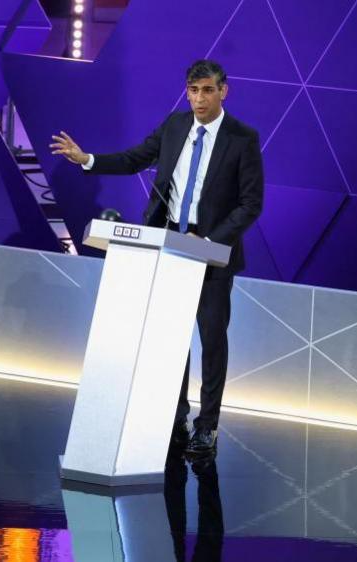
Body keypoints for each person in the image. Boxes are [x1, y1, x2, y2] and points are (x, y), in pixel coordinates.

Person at [50, 59, 264, 453]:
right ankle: (177, 415)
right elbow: (134, 159)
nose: (198, 99)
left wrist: (210, 240)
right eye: (193, 90)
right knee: (172, 339)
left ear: (223, 91)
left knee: (212, 341)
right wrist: (88, 160)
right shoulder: (175, 127)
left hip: (213, 257)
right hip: (169, 251)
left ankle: (208, 425)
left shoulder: (242, 138)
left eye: (206, 91)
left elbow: (251, 204)